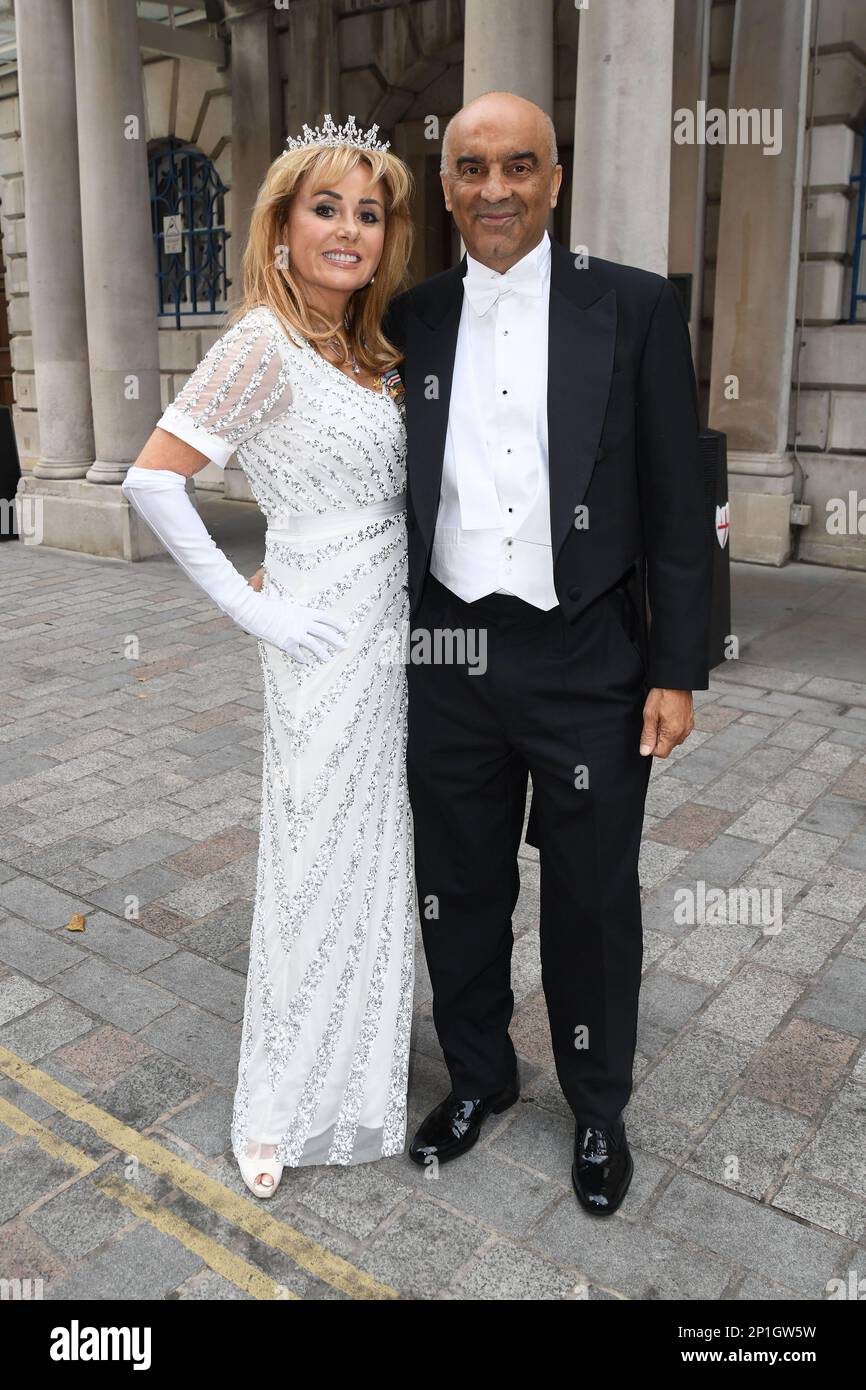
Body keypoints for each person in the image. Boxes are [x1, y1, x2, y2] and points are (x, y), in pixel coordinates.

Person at [384, 91, 712, 1215]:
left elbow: (677, 499)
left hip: (586, 654)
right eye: (470, 168)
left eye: (518, 166)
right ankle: (480, 1074)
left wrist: (675, 667)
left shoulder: (631, 307)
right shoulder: (412, 316)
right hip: (449, 647)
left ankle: (596, 1105)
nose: (494, 189)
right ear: (445, 187)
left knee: (589, 894)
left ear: (554, 179)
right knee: (457, 883)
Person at [122, 116, 417, 1197]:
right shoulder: (261, 343)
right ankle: (280, 1102)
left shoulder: (368, 346)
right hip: (319, 634)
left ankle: (359, 1071)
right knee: (308, 853)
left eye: (368, 213)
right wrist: (256, 612)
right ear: (282, 227)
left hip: (392, 634)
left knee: (373, 850)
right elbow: (153, 482)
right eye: (325, 208)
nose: (348, 229)